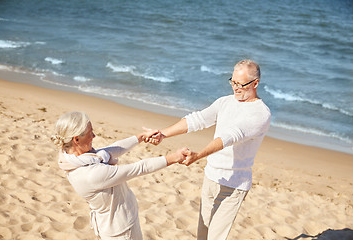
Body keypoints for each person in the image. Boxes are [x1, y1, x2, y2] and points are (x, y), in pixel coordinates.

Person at [146, 59, 271, 240]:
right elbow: (198, 119)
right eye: (233, 82)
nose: (235, 88)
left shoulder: (260, 114)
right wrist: (163, 134)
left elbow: (230, 136)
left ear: (255, 83)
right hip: (211, 177)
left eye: (241, 84)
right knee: (202, 236)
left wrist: (198, 155)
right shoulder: (225, 102)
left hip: (233, 185)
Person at [51, 111, 187, 240]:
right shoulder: (91, 174)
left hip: (116, 225)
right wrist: (175, 157)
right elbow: (140, 167)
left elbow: (111, 150)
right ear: (76, 139)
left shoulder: (72, 158)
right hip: (121, 231)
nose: (94, 136)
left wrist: (141, 137)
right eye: (90, 133)